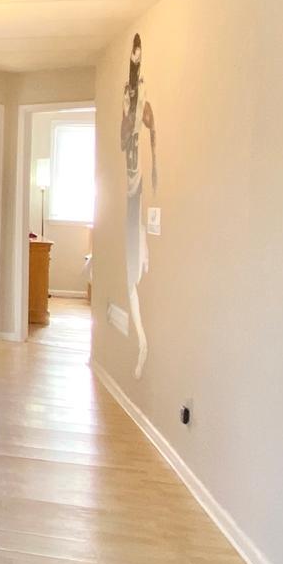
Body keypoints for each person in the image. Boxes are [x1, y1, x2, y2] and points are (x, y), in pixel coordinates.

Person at [121, 35, 158, 377]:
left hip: (138, 192)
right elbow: (124, 138)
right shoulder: (129, 104)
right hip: (131, 196)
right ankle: (142, 341)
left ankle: (143, 342)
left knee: (134, 274)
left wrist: (156, 166)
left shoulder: (143, 106)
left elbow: (151, 132)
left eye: (138, 56)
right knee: (130, 275)